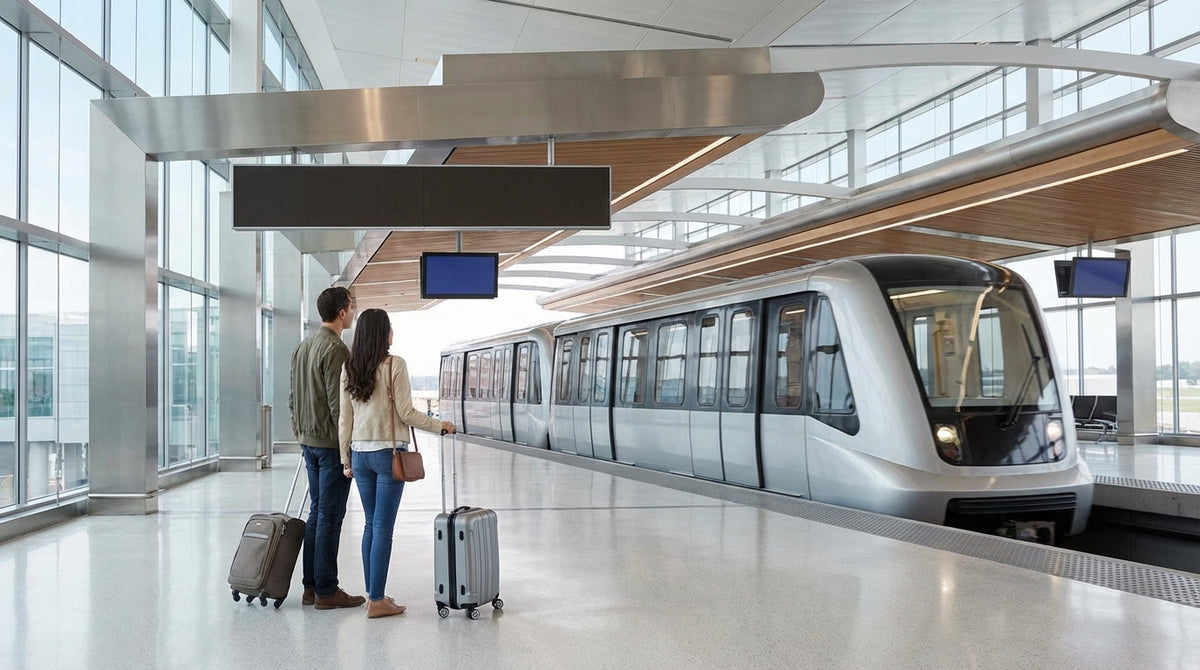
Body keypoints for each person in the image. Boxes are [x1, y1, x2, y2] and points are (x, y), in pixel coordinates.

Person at [339, 308, 456, 619]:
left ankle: (373, 595)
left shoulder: (349, 367)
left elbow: (344, 418)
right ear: (383, 333)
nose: (393, 332)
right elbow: (406, 413)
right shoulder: (395, 364)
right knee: (382, 526)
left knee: (370, 524)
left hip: (360, 454)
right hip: (388, 454)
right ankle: (377, 600)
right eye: (390, 327)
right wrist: (440, 425)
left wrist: (345, 458)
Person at [288, 286, 366, 610]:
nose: (353, 312)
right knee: (330, 516)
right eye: (351, 306)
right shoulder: (336, 349)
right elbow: (340, 407)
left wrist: (300, 433)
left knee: (317, 512)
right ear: (342, 312)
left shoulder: (303, 346)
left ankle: (311, 587)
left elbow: (292, 398)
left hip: (309, 441)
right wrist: (347, 451)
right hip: (331, 446)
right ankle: (326, 590)